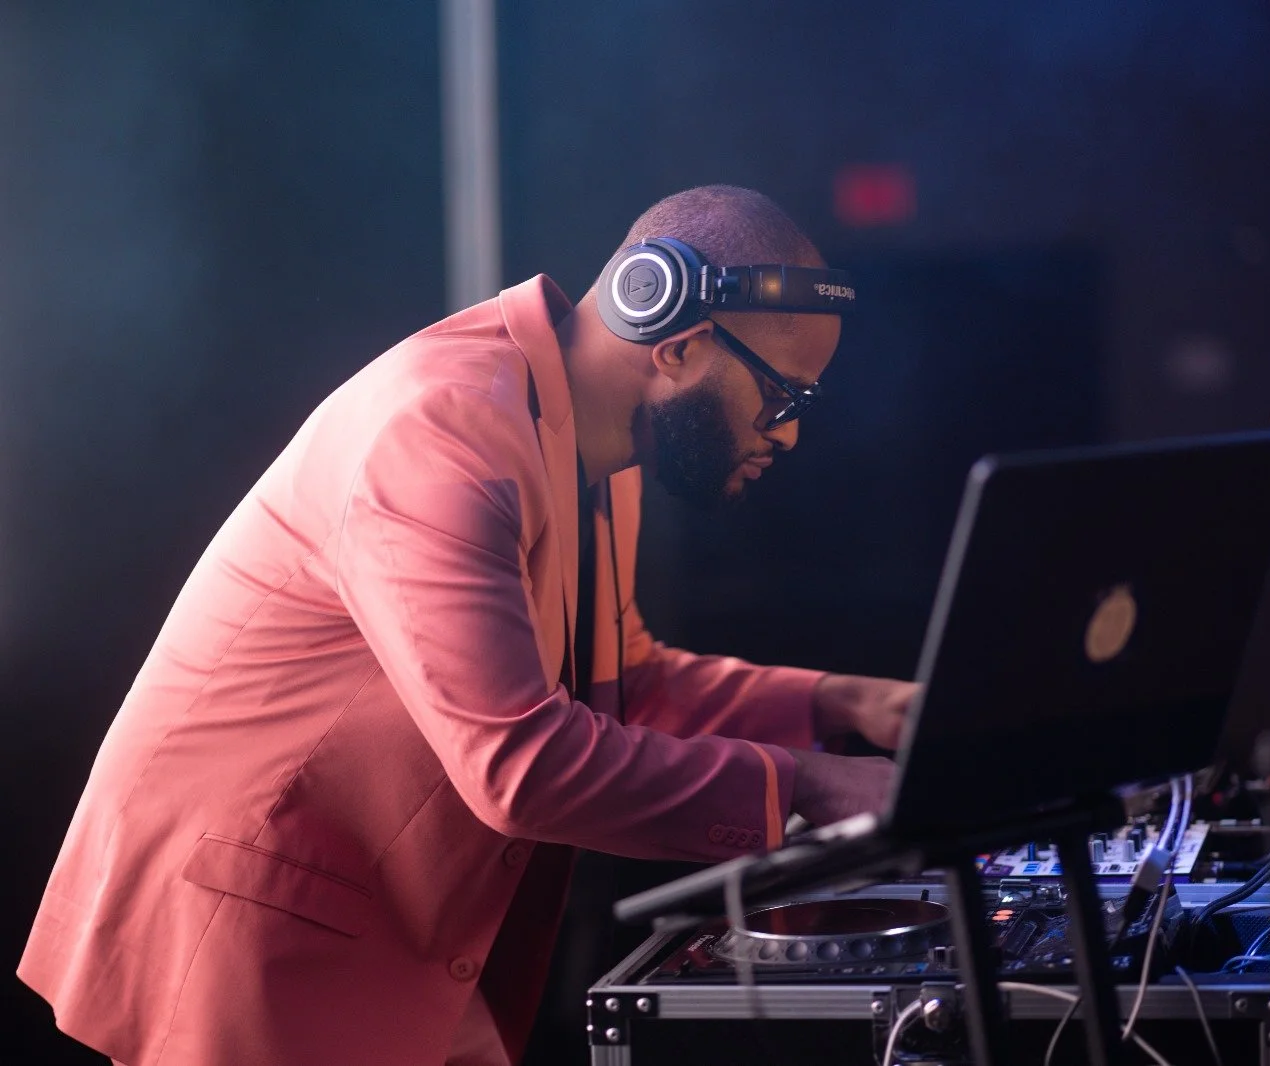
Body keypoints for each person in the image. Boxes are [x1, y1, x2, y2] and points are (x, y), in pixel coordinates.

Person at [18, 185, 913, 1066]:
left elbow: (626, 683)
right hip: (249, 930)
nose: (787, 437)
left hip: (373, 934)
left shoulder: (594, 447)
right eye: (783, 399)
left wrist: (855, 704)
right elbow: (519, 765)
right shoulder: (444, 429)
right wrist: (812, 786)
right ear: (677, 345)